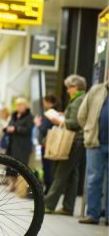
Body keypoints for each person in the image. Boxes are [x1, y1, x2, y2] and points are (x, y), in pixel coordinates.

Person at [44, 74, 86, 215]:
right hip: (77, 139)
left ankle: (48, 205)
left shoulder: (79, 99)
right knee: (72, 173)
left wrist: (59, 120)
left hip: (75, 139)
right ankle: (67, 207)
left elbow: (77, 122)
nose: (67, 91)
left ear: (75, 87)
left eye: (69, 88)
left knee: (61, 172)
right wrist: (64, 116)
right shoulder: (79, 98)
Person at [77, 71, 109, 226]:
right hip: (96, 142)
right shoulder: (96, 90)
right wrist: (89, 129)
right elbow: (81, 115)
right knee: (93, 180)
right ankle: (92, 215)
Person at [33, 94, 62, 196]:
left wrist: (38, 123)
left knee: (46, 169)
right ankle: (47, 191)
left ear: (48, 102)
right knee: (47, 168)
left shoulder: (50, 113)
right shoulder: (55, 112)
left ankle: (47, 192)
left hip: (46, 144)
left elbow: (44, 129)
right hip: (50, 144)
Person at [5, 98, 34, 191]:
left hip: (22, 146)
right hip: (12, 144)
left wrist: (15, 129)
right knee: (11, 165)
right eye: (17, 105)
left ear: (25, 106)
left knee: (20, 166)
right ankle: (12, 185)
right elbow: (10, 125)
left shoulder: (29, 116)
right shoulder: (14, 115)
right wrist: (7, 128)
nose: (19, 107)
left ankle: (19, 187)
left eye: (21, 105)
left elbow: (28, 130)